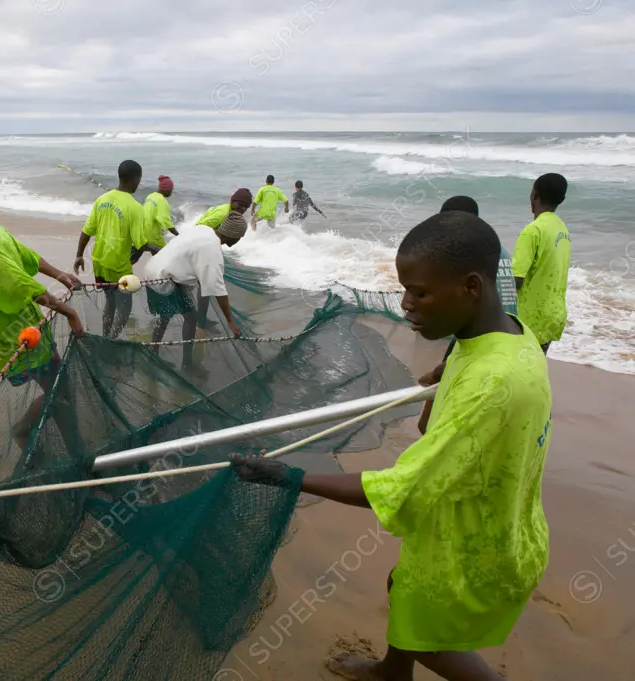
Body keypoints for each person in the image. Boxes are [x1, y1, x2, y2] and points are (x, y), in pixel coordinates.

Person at [230, 211, 551, 681]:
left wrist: (287, 476)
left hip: (473, 548)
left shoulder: (494, 384)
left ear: (471, 287)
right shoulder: (511, 335)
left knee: (433, 644)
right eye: (405, 289)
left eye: (420, 292)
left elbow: (403, 489)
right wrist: (447, 376)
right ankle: (392, 672)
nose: (405, 304)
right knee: (402, 586)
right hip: (478, 521)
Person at [0, 157, 84, 450]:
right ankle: (42, 439)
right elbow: (15, 283)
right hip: (17, 333)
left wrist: (60, 274)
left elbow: (21, 253)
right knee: (60, 390)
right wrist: (68, 311)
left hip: (26, 324)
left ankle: (49, 439)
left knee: (58, 387)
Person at [417, 196, 518, 434]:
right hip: (510, 331)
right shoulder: (497, 249)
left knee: (428, 423)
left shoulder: (464, 255)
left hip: (484, 336)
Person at [144, 211, 247, 371]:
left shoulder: (204, 230)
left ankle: (153, 351)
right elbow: (219, 291)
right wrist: (230, 322)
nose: (239, 240)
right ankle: (187, 364)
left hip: (152, 269)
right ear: (234, 237)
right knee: (191, 318)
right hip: (164, 279)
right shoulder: (213, 252)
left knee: (164, 316)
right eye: (240, 236)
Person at [74, 160, 145, 338]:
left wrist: (79, 256)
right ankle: (111, 342)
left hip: (98, 262)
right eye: (139, 179)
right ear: (135, 179)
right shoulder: (135, 207)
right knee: (125, 307)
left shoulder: (102, 200)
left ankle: (106, 335)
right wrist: (157, 248)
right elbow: (140, 243)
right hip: (119, 267)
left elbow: (86, 231)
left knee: (110, 301)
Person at [513, 173, 571, 356]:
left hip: (530, 319)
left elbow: (516, 281)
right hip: (553, 315)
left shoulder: (533, 231)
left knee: (518, 373)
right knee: (533, 369)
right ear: (561, 199)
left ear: (534, 195)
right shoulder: (562, 229)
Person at [131, 175, 179, 265]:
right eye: (171, 189)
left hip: (141, 232)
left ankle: (119, 273)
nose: (171, 192)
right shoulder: (162, 201)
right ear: (166, 189)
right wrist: (178, 235)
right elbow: (166, 221)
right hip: (153, 236)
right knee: (165, 258)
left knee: (133, 258)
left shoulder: (151, 196)